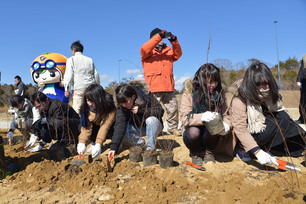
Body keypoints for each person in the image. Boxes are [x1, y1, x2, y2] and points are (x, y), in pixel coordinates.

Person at [227, 63, 305, 167]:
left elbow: (280, 115)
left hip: (265, 129)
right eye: (258, 85)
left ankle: (270, 147)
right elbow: (240, 127)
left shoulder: (271, 92)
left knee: (283, 117)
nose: (263, 88)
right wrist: (257, 151)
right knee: (273, 126)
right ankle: (243, 148)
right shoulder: (240, 97)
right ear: (251, 84)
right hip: (248, 134)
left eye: (265, 84)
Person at [180, 64, 230, 166]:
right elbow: (185, 118)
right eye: (210, 82)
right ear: (201, 80)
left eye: (216, 81)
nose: (213, 85)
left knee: (213, 128)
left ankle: (209, 152)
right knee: (193, 132)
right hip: (193, 130)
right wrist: (202, 117)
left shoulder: (219, 93)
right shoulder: (189, 93)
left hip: (210, 133)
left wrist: (227, 125)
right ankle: (195, 152)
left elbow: (226, 114)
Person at [140, 28, 182, 136]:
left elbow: (178, 54)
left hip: (168, 86)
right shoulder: (147, 52)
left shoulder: (168, 50)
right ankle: (156, 129)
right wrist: (159, 36)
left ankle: (173, 128)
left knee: (173, 109)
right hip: (153, 87)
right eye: (157, 38)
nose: (160, 40)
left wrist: (174, 40)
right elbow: (144, 48)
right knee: (154, 111)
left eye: (162, 38)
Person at [107, 81, 164, 161]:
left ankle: (150, 149)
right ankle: (140, 143)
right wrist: (113, 148)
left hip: (153, 127)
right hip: (136, 129)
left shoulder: (146, 95)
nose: (123, 105)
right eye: (121, 103)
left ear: (133, 97)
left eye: (125, 102)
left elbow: (160, 111)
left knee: (151, 120)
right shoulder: (122, 107)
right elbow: (120, 126)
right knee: (121, 131)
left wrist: (141, 111)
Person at [77, 84, 116, 159]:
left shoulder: (110, 106)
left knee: (111, 128)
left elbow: (105, 126)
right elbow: (86, 127)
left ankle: (115, 143)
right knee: (81, 126)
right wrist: (82, 142)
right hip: (96, 126)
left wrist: (99, 144)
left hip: (109, 128)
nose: (90, 104)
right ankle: (94, 142)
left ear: (99, 99)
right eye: (88, 100)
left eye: (92, 101)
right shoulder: (86, 108)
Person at [64, 40, 100, 115]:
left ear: (73, 50)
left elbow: (68, 75)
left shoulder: (71, 59)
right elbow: (96, 74)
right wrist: (97, 86)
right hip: (91, 87)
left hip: (79, 88)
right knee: (92, 109)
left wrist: (67, 89)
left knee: (77, 110)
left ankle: (77, 126)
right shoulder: (90, 60)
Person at [296, 54, 306, 124]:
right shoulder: (304, 56)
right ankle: (302, 118)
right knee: (303, 101)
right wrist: (298, 80)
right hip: (305, 81)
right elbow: (301, 69)